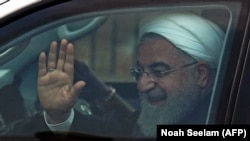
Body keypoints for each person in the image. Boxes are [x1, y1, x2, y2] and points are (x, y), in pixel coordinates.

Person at [6, 12, 225, 139]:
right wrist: (58, 114)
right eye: (139, 72)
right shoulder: (170, 112)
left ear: (201, 74)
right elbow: (109, 130)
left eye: (159, 71)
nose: (142, 85)